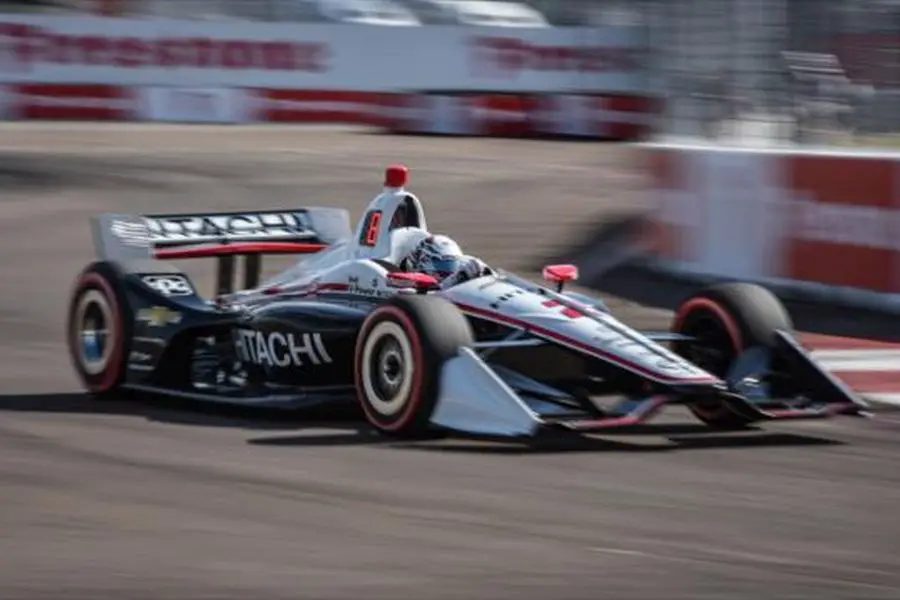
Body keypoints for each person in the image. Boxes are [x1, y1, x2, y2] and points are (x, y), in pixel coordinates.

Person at [399, 233, 493, 289]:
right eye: (443, 264)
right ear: (424, 262)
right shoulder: (408, 287)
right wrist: (454, 280)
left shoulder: (464, 267)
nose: (449, 270)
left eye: (452, 264)